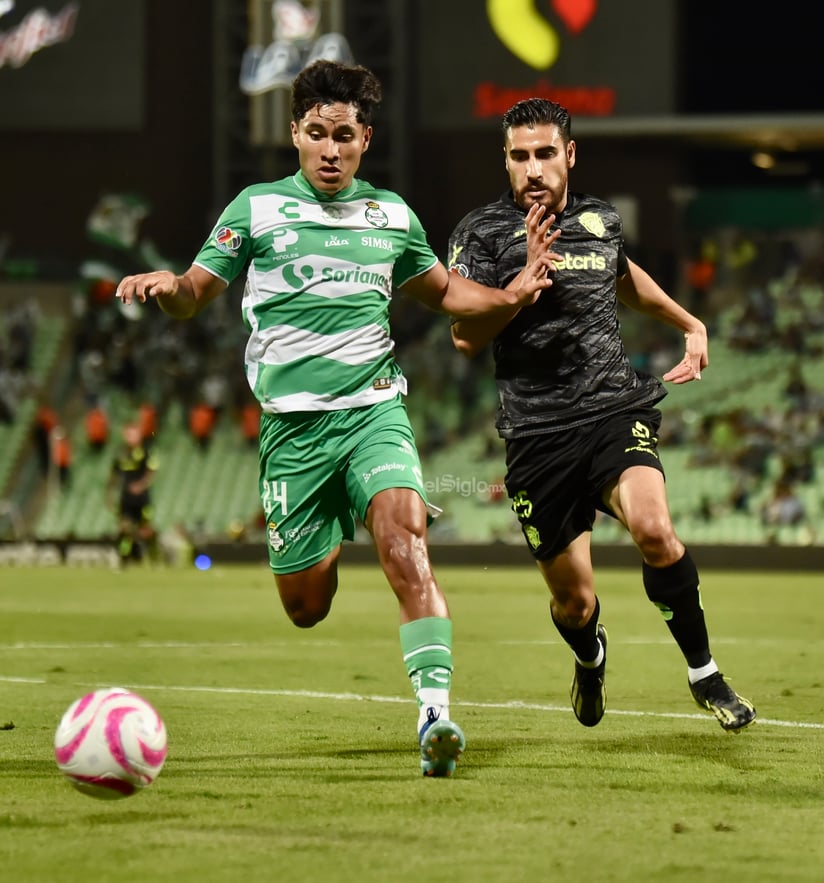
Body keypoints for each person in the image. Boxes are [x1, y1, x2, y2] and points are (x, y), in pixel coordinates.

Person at [114, 60, 558, 777]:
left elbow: (448, 294)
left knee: (406, 539)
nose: (329, 148)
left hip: (373, 411)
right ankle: (329, 535)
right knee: (305, 605)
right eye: (316, 133)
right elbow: (194, 293)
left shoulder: (392, 217)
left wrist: (514, 290)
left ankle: (436, 716)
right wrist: (168, 288)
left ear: (364, 140)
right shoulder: (255, 209)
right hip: (292, 432)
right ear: (295, 134)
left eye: (343, 135)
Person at [448, 98, 756, 733]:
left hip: (613, 409)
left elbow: (625, 277)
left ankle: (706, 674)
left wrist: (690, 323)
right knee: (574, 601)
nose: (533, 168)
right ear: (505, 160)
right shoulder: (478, 234)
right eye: (519, 156)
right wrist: (519, 288)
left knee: (654, 529)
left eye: (545, 154)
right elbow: (463, 335)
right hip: (535, 435)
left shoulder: (600, 219)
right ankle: (590, 657)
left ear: (569, 155)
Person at [106, 422, 159, 566]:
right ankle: (123, 558)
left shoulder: (145, 452)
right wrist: (109, 495)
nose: (131, 437)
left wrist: (141, 485)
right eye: (128, 434)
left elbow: (152, 471)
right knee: (124, 529)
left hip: (142, 499)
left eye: (133, 433)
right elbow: (113, 476)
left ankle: (154, 557)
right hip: (126, 499)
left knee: (147, 529)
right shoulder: (120, 454)